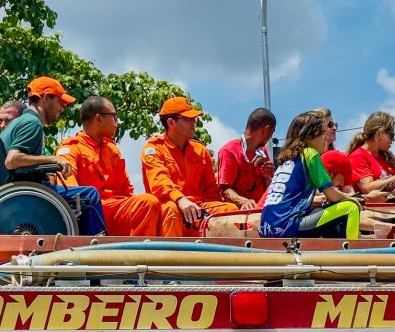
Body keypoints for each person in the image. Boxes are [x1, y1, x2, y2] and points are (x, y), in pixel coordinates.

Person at [0, 76, 106, 235]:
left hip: (17, 190)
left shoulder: (18, 122)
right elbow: (12, 160)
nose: (62, 108)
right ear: (45, 98)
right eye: (59, 102)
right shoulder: (32, 123)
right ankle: (94, 246)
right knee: (90, 194)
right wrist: (53, 159)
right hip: (28, 193)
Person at [53, 96, 160, 236]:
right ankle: (140, 254)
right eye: (114, 117)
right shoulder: (71, 149)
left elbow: (127, 190)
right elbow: (73, 194)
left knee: (159, 206)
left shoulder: (112, 149)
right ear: (98, 119)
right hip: (93, 212)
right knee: (148, 202)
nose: (117, 122)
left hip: (119, 208)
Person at [141, 97, 238, 237]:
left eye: (194, 119)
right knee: (171, 209)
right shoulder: (153, 149)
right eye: (187, 119)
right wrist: (181, 200)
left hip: (197, 207)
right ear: (171, 122)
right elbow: (159, 182)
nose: (193, 123)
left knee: (229, 209)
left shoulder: (200, 150)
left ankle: (222, 257)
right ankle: (172, 257)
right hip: (170, 205)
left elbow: (210, 190)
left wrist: (207, 212)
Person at [260, 111, 361, 240]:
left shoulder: (287, 158)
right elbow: (331, 195)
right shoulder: (310, 153)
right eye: (322, 133)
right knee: (351, 207)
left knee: (331, 216)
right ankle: (350, 256)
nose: (326, 138)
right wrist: (351, 199)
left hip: (266, 227)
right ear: (308, 137)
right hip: (288, 225)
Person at [217, 108, 276, 210]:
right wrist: (244, 201)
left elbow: (269, 190)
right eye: (272, 132)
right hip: (237, 215)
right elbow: (224, 190)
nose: (271, 136)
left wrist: (267, 177)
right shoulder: (229, 151)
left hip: (261, 212)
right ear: (266, 129)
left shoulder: (263, 151)